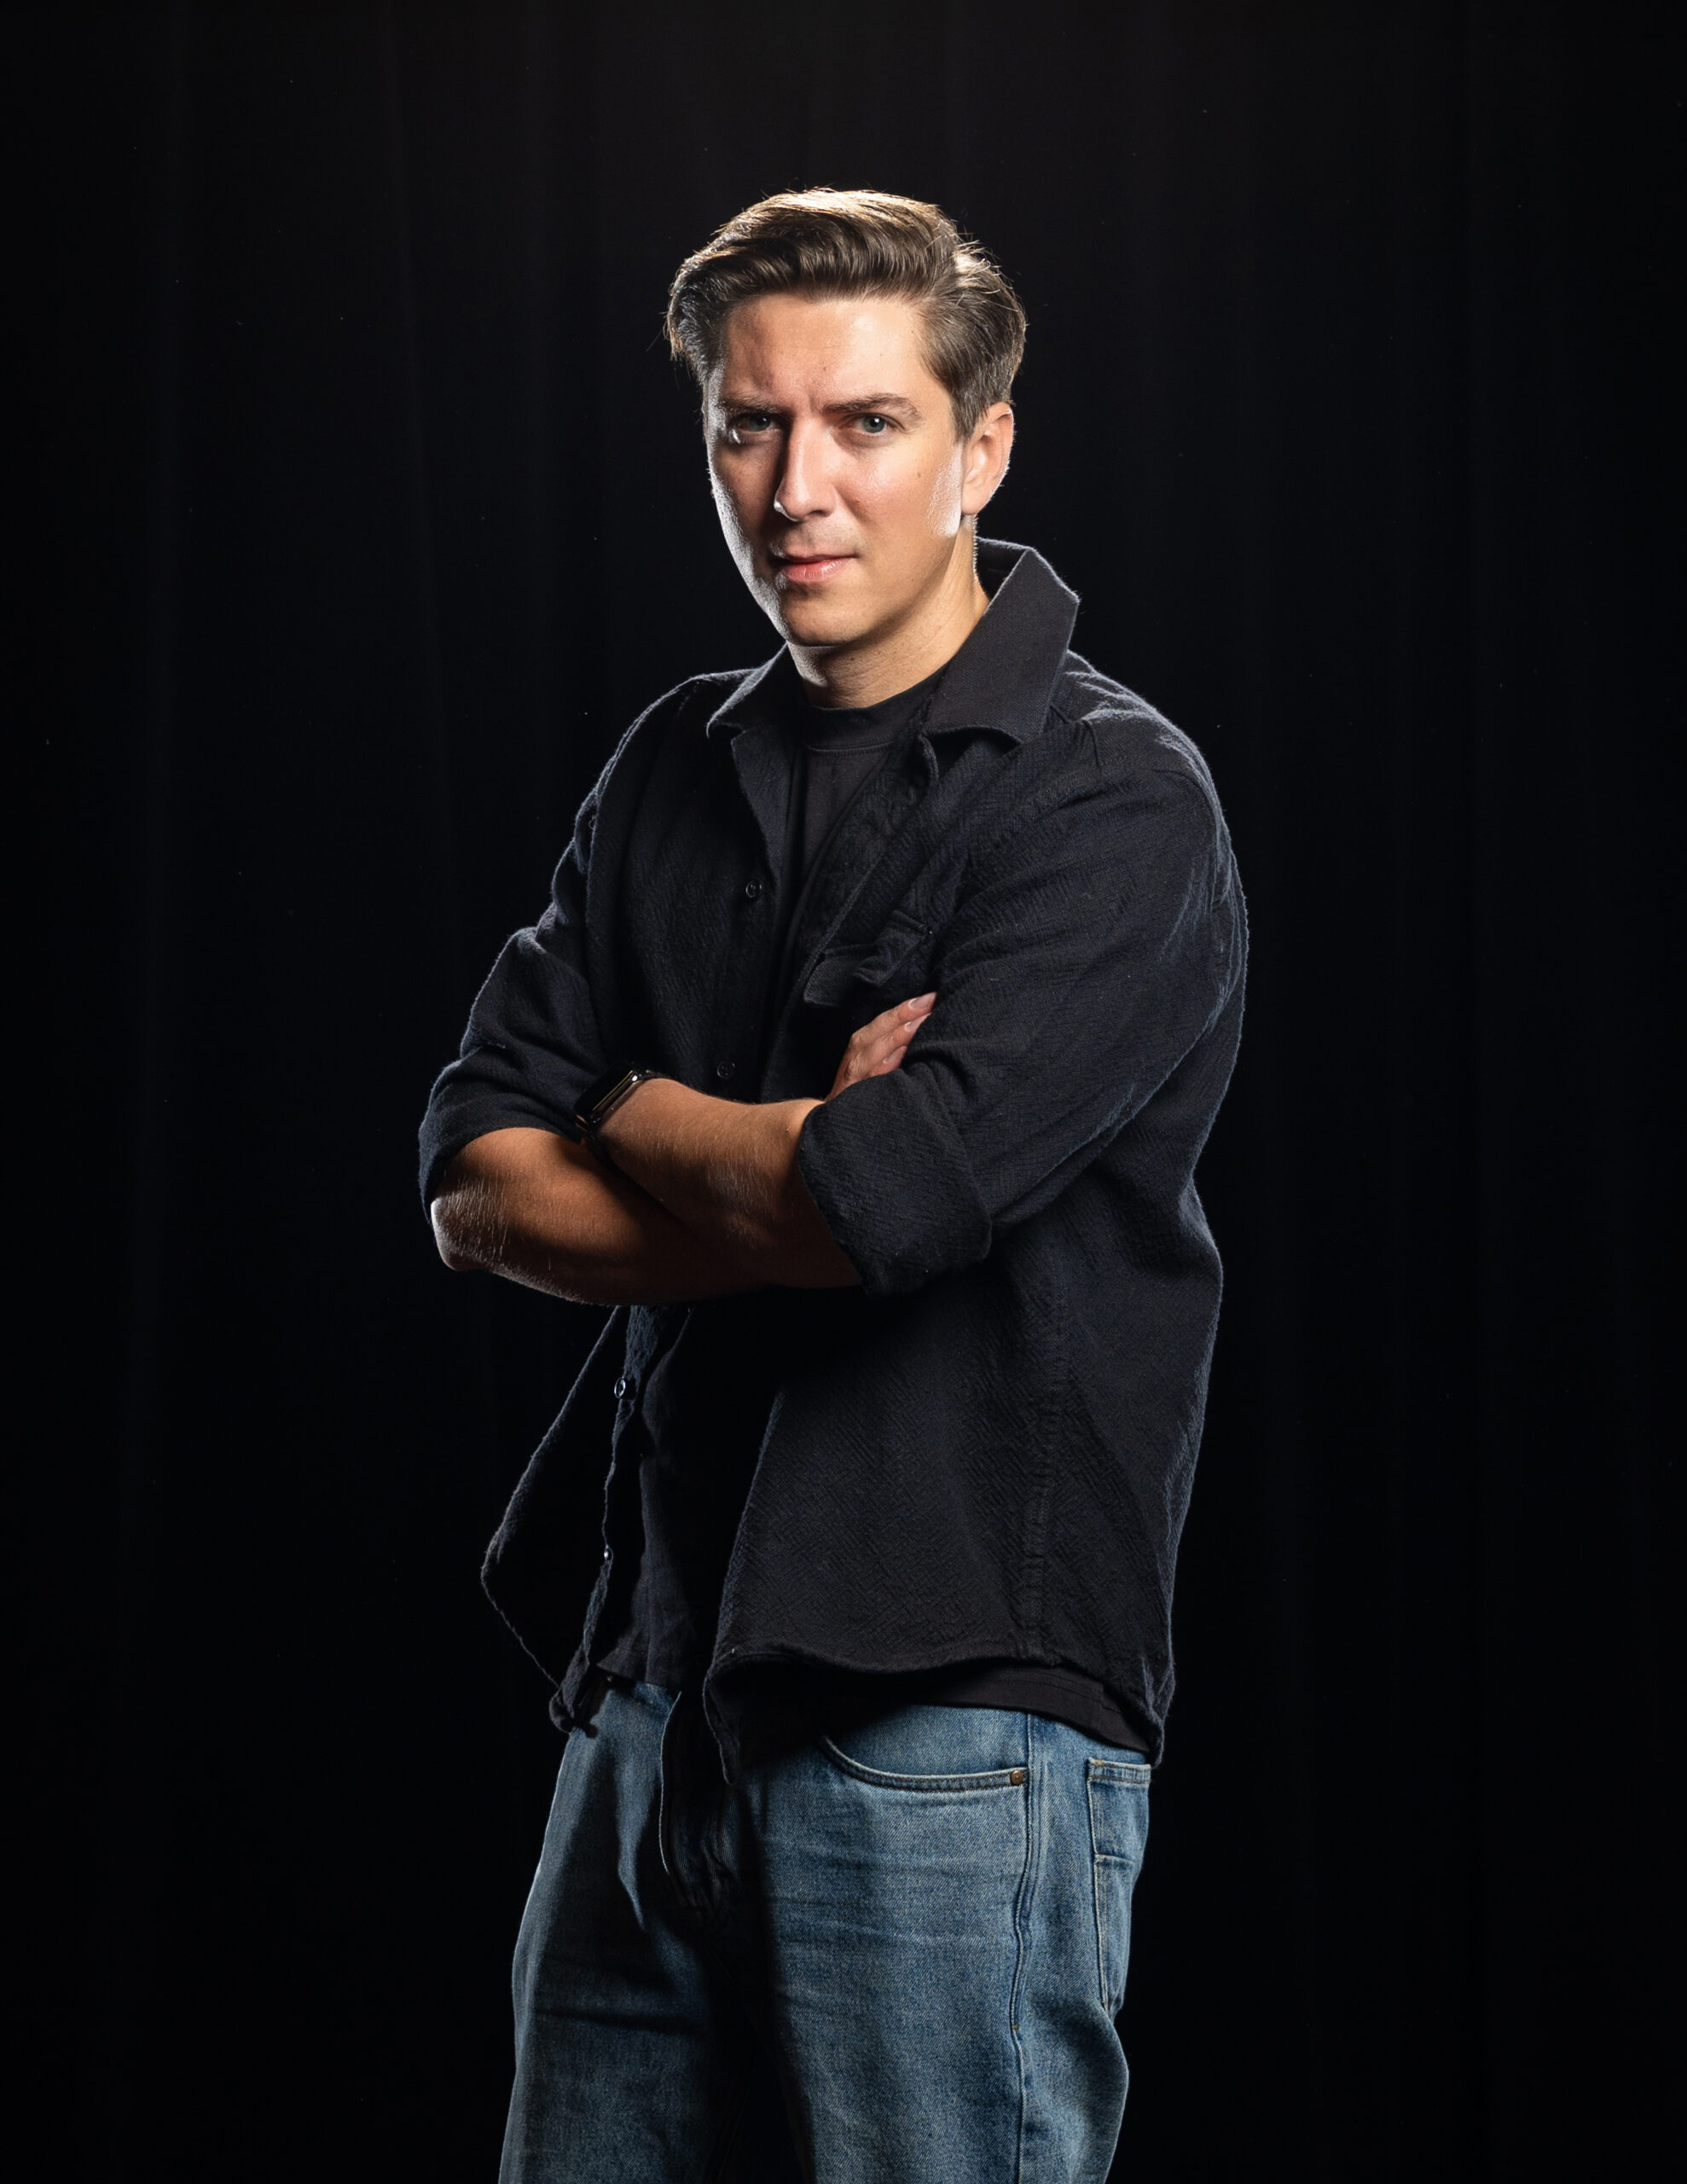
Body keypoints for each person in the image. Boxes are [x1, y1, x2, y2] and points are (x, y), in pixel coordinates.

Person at [421, 188, 1245, 2184]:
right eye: (749, 424)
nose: (797, 487)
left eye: (865, 422)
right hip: (649, 1694)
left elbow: (888, 1203)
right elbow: (470, 1178)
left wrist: (626, 1105)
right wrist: (765, 1147)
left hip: (951, 1718)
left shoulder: (1110, 796)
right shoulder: (669, 768)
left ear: (981, 445)